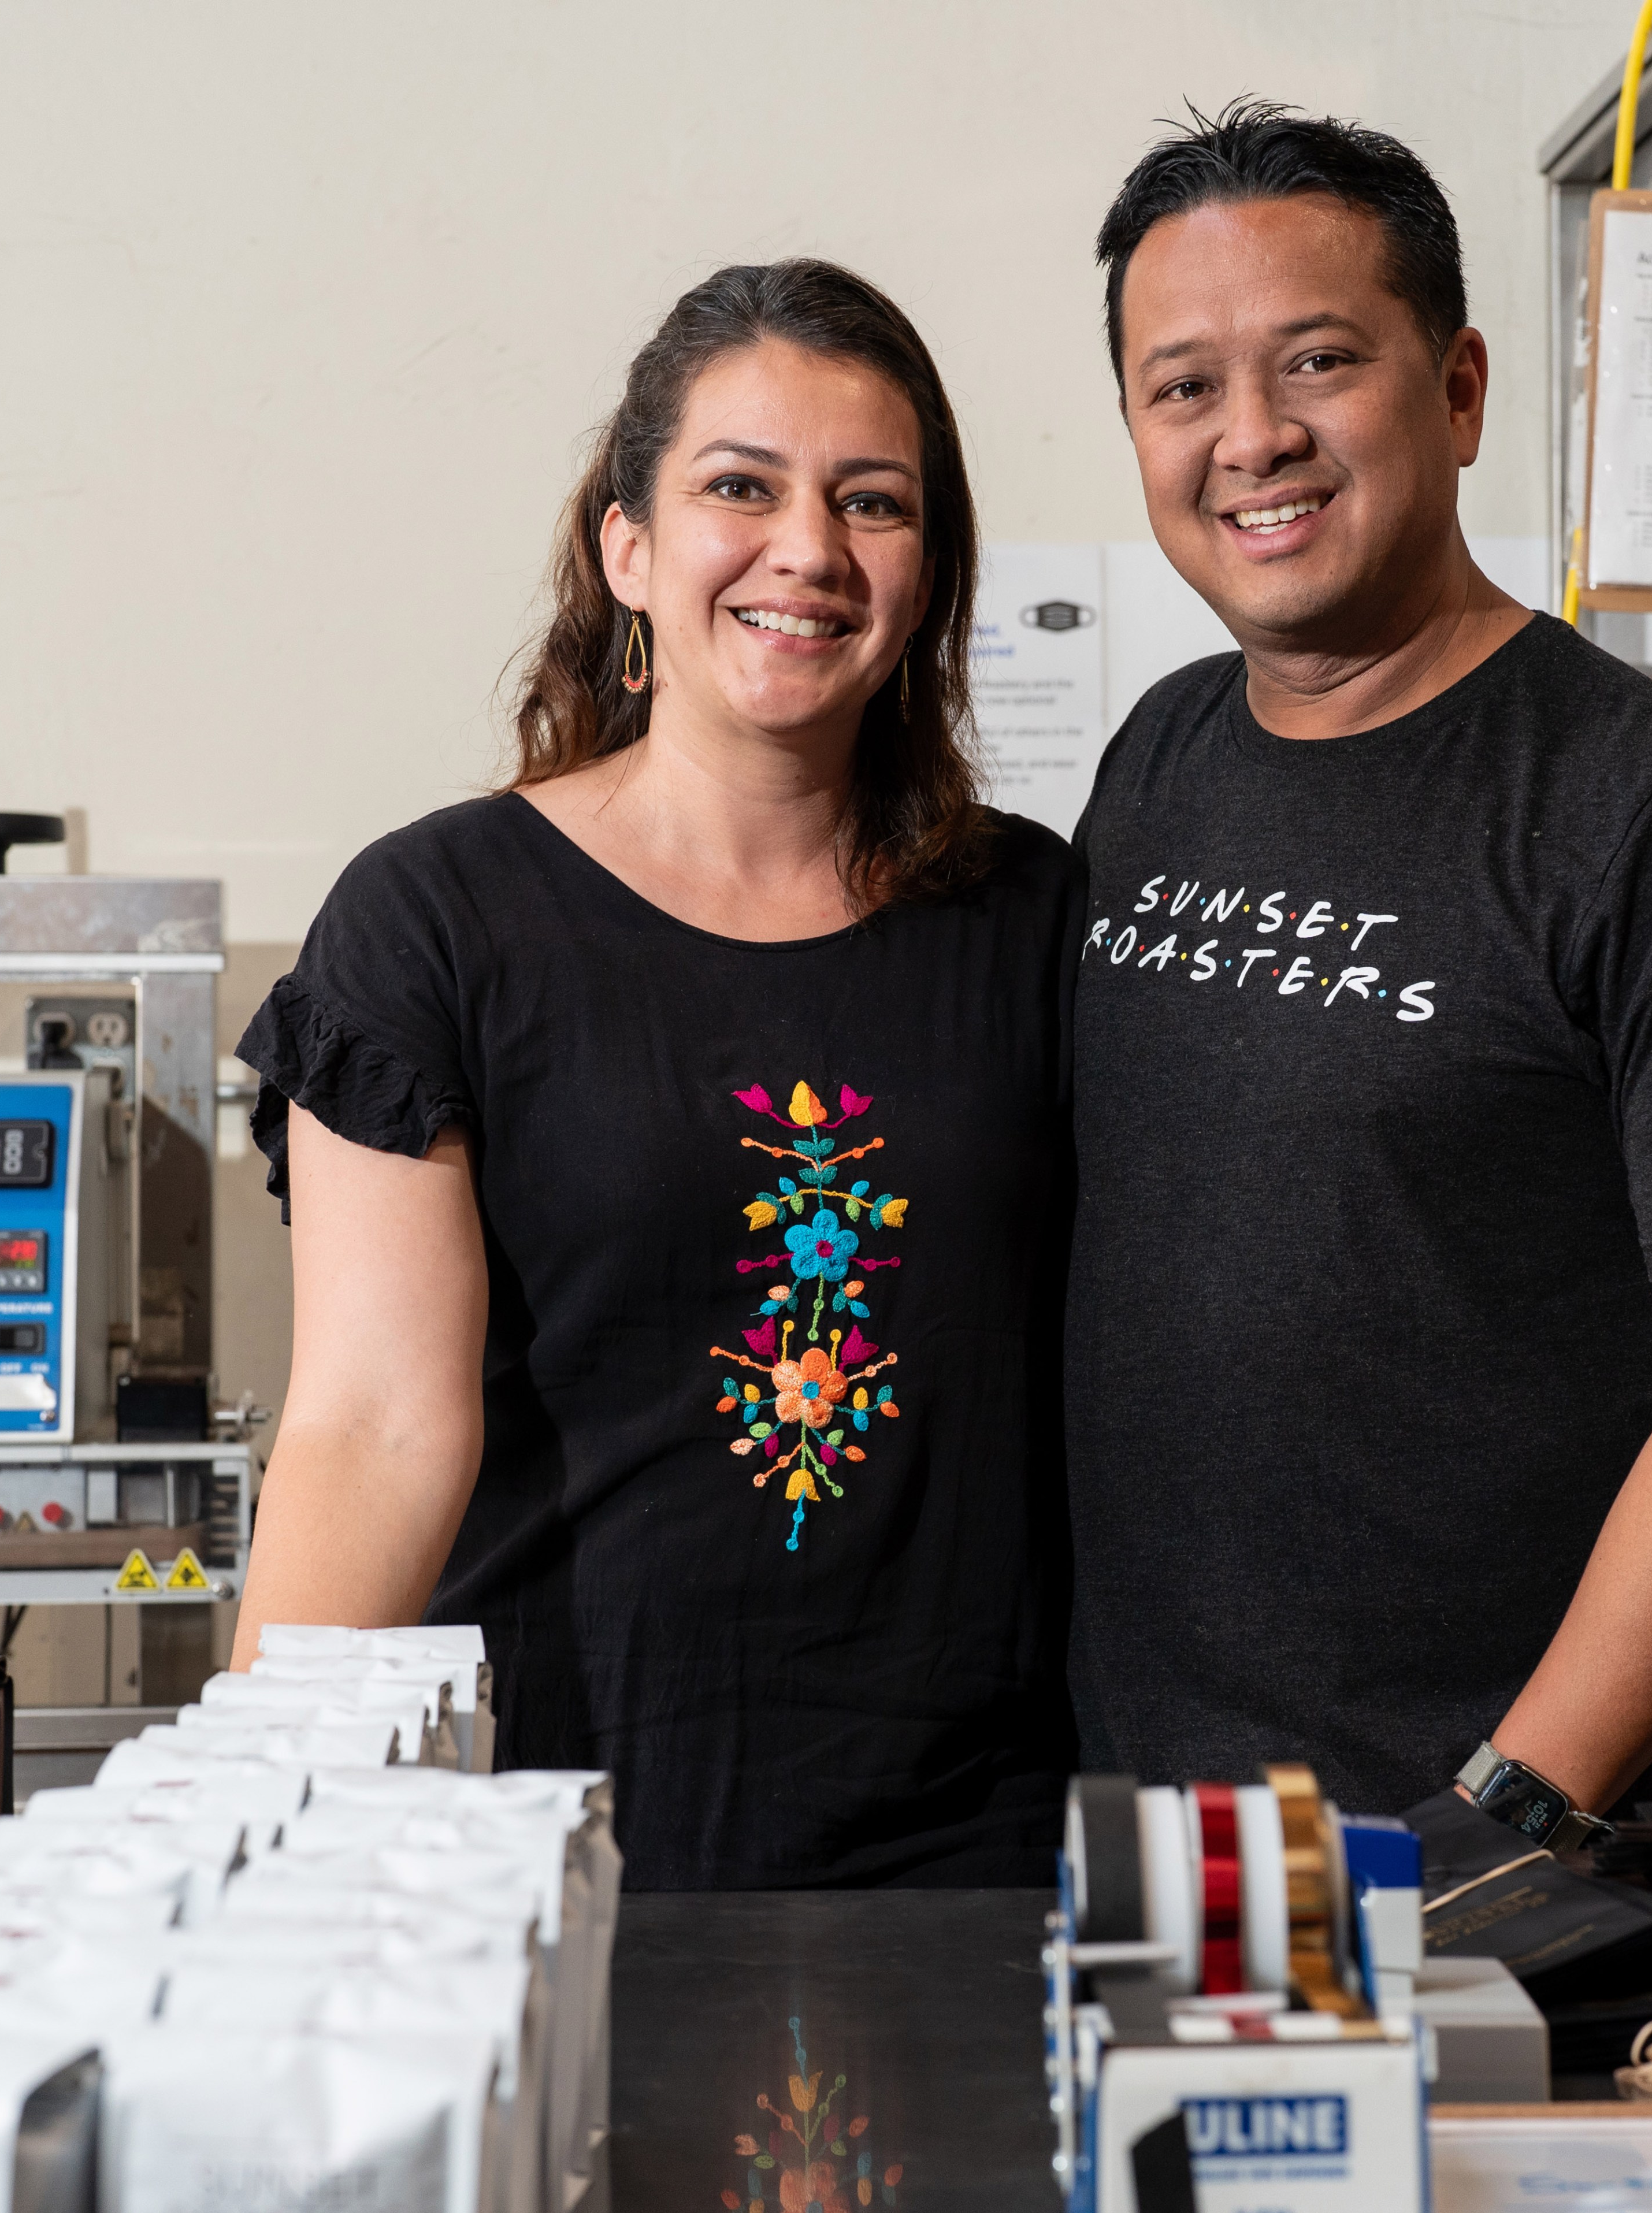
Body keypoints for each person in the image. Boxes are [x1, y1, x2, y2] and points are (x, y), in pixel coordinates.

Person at [1065, 103, 1652, 1840]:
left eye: (1317, 363)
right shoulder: (1157, 759)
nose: (1252, 439)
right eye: (1183, 387)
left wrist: (1504, 1818)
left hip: (1466, 1854)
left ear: (1457, 391)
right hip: (1139, 1831)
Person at [231, 260, 1081, 1888]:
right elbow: (370, 1431)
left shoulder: (1035, 922)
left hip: (971, 1861)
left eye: (874, 503)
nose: (809, 550)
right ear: (627, 545)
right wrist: (256, 1837)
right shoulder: (435, 923)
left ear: (931, 574)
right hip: (552, 1848)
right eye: (738, 488)